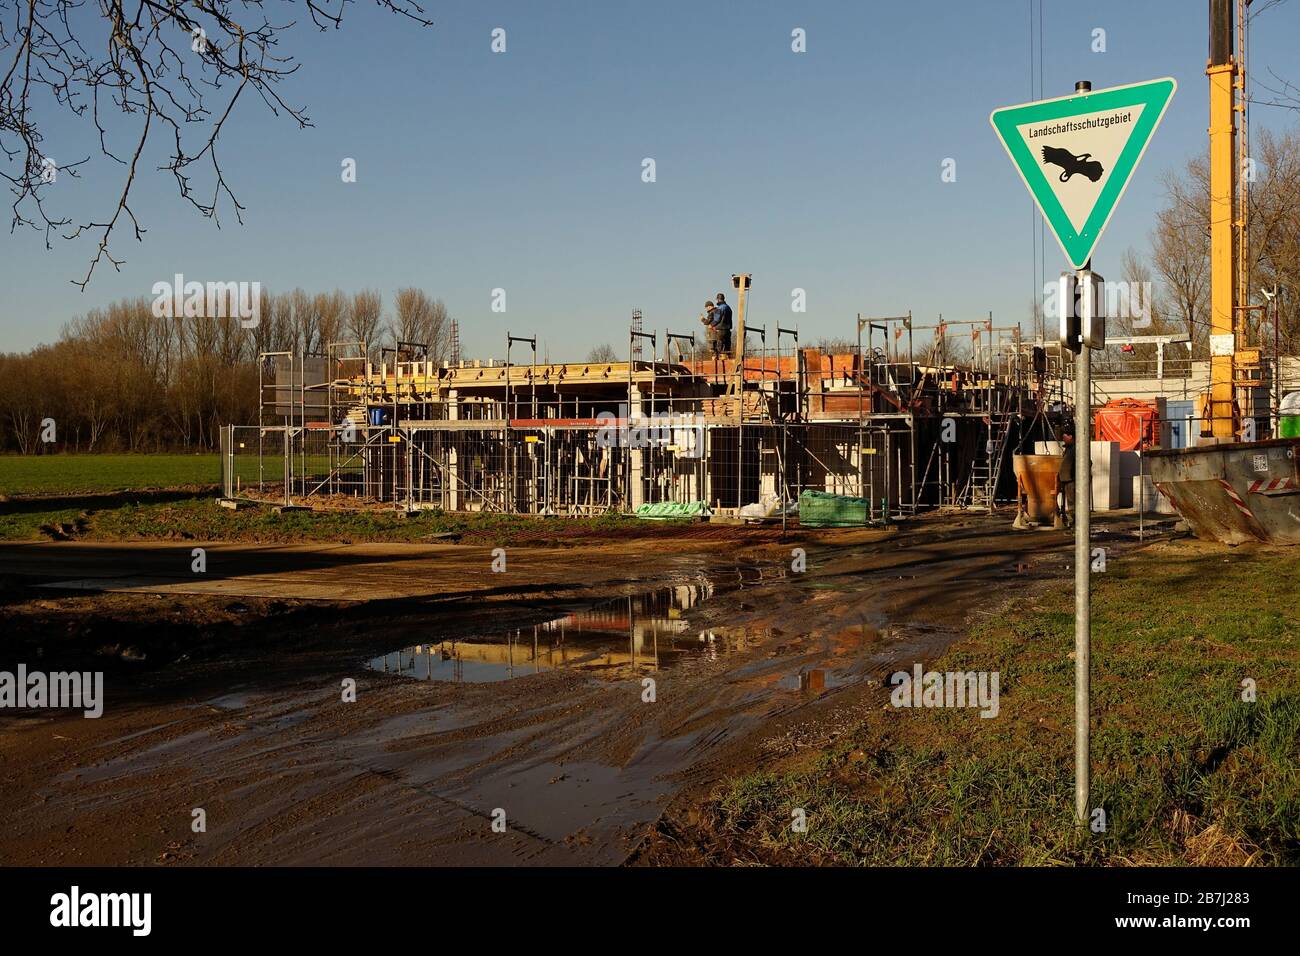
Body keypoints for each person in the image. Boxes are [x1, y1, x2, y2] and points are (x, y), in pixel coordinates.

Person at [1057, 429, 1075, 528]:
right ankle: (1072, 519)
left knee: (1072, 501)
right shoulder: (1068, 449)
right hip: (1065, 479)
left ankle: (1076, 520)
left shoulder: (1075, 449)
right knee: (1069, 501)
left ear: (1070, 436)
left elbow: (1088, 462)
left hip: (1071, 480)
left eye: (1065, 437)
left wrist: (1073, 474)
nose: (1063, 439)